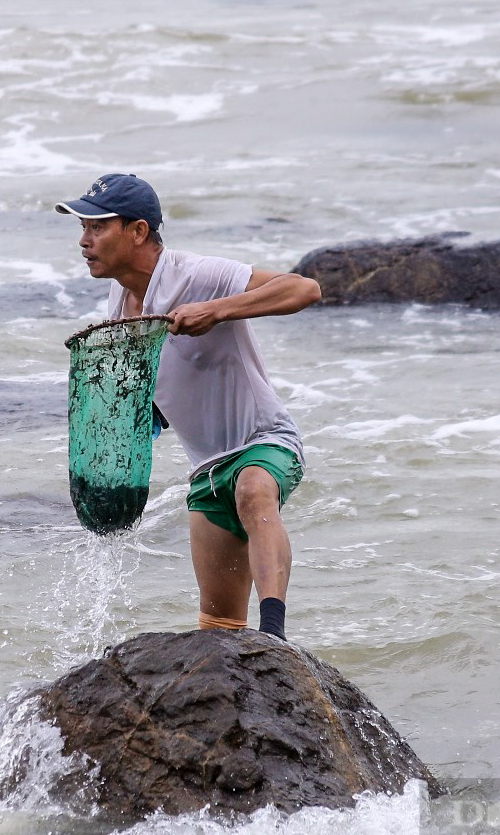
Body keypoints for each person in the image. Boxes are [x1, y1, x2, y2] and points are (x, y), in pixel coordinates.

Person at [56, 173, 321, 640]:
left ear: (138, 231)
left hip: (265, 442)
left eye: (96, 227)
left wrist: (217, 310)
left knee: (254, 491)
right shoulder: (120, 298)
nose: (84, 240)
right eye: (83, 228)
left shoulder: (197, 274)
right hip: (207, 473)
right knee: (219, 630)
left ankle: (276, 639)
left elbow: (304, 289)